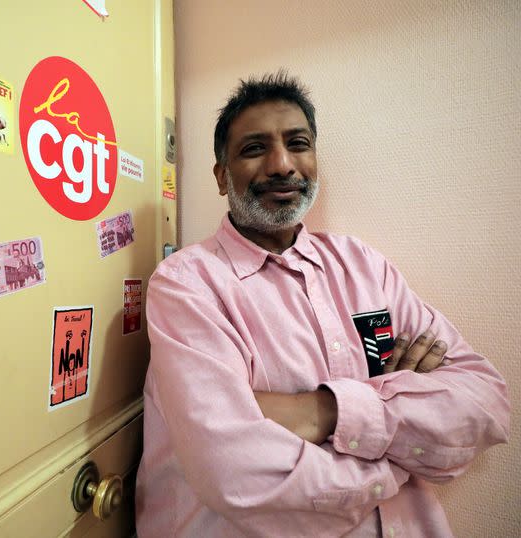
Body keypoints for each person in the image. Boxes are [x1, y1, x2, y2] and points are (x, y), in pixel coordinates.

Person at [135, 72, 509, 537]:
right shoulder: (187, 285)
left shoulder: (364, 266)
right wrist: (399, 461)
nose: (281, 165)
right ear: (221, 176)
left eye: (298, 143)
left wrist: (323, 411)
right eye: (255, 149)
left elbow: (487, 401)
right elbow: (236, 473)